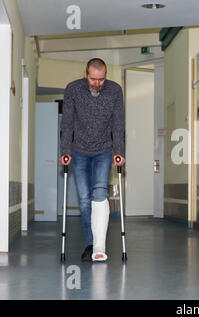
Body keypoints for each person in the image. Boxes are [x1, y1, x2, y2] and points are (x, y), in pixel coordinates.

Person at [59, 58, 126, 262]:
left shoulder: (114, 90)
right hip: (78, 151)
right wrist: (64, 149)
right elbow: (67, 121)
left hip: (104, 150)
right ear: (85, 74)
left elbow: (118, 122)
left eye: (101, 80)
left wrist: (119, 150)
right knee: (84, 199)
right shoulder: (73, 89)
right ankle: (90, 242)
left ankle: (99, 246)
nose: (97, 84)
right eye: (93, 79)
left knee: (99, 192)